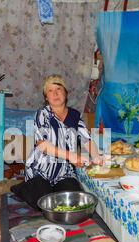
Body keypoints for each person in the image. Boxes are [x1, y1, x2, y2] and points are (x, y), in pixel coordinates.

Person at [11, 74, 103, 210]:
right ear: (46, 97)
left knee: (74, 203)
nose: (55, 93)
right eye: (50, 90)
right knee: (45, 204)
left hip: (64, 170)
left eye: (58, 89)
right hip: (40, 168)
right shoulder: (42, 114)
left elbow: (86, 140)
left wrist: (96, 157)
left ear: (65, 93)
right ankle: (22, 188)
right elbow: (42, 145)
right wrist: (71, 156)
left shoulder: (75, 115)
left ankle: (53, 188)